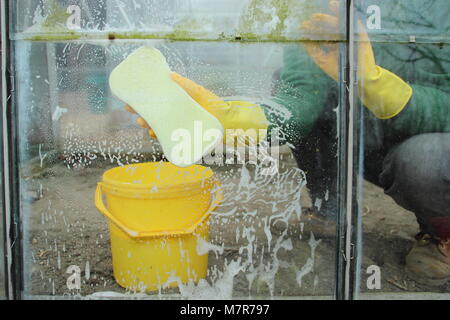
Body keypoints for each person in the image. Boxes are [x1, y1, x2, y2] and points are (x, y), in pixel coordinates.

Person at [125, 0, 450, 285]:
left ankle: (442, 234)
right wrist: (221, 117)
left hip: (429, 142)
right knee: (317, 94)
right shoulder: (315, 10)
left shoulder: (432, 11)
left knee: (425, 160)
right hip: (373, 142)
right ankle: (330, 210)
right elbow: (297, 107)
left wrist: (372, 82)